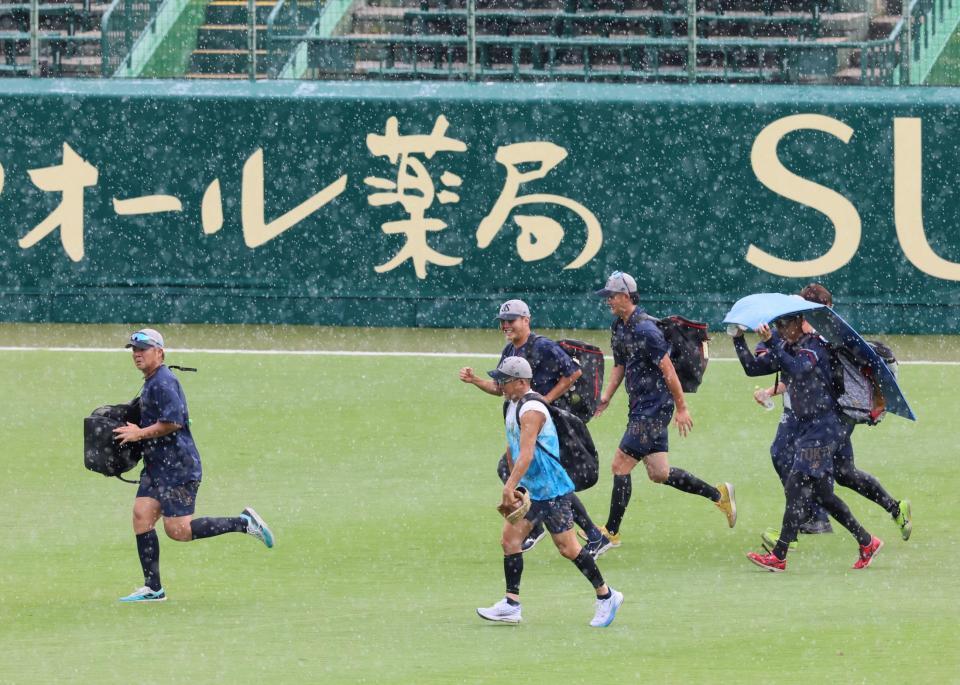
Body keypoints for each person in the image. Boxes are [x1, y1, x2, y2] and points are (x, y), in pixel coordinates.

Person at [735, 283, 912, 547]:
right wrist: (771, 384)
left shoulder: (822, 339)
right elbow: (790, 372)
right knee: (839, 473)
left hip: (827, 416)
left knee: (807, 472)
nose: (829, 316)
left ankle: (804, 528)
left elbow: (804, 371)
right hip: (812, 413)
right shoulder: (792, 332)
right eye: (825, 310)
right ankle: (890, 511)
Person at [112, 328, 273, 602]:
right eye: (134, 350)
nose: (137, 354)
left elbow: (173, 422)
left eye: (143, 349)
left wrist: (139, 434)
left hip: (178, 468)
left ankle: (243, 523)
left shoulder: (163, 382)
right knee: (141, 515)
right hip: (157, 467)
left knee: (179, 531)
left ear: (159, 353)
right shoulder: (152, 381)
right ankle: (153, 589)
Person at [591, 271, 736, 548]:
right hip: (640, 407)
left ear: (626, 296)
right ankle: (719, 496)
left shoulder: (647, 331)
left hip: (654, 409)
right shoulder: (619, 327)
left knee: (620, 465)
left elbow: (668, 370)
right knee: (659, 472)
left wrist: (682, 407)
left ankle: (610, 533)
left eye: (611, 296)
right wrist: (606, 396)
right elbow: (620, 364)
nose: (608, 300)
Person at [476, 357, 623, 627]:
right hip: (533, 489)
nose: (500, 385)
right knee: (510, 540)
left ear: (521, 382)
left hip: (552, 490)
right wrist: (516, 485)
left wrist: (509, 486)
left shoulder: (532, 410)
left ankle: (607, 595)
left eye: (504, 381)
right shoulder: (511, 405)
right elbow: (512, 446)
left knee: (568, 548)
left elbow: (528, 453)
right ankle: (511, 604)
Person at [459, 299, 612, 557]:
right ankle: (572, 531)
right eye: (503, 322)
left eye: (511, 321)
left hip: (547, 426)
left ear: (526, 320)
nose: (506, 326)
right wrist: (475, 380)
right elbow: (499, 388)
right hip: (527, 424)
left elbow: (573, 373)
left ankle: (543, 526)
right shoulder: (510, 350)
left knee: (547, 480)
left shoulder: (543, 346)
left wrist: (545, 400)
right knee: (537, 477)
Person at [744, 316, 883, 572]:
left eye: (784, 325)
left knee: (795, 486)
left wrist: (771, 341)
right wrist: (737, 339)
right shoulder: (787, 346)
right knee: (823, 495)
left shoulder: (814, 346)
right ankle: (867, 542)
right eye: (778, 326)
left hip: (824, 429)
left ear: (798, 323)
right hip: (811, 429)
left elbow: (797, 368)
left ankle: (779, 555)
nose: (780, 330)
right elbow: (753, 368)